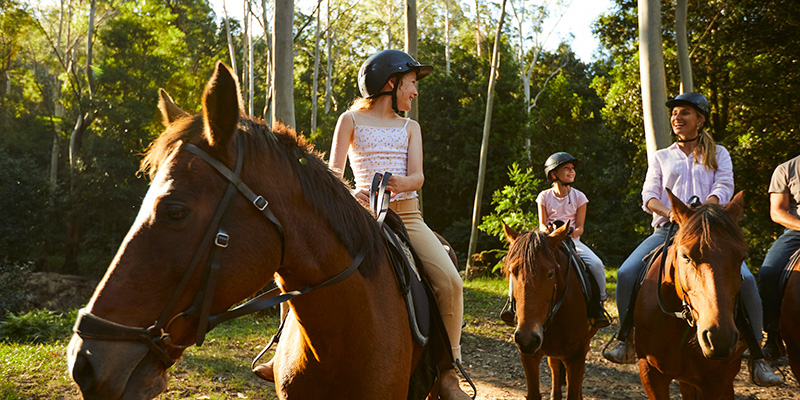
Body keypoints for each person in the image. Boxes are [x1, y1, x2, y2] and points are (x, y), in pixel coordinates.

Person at [601, 92, 783, 387]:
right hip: (669, 229)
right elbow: (649, 195)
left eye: (684, 113)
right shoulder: (661, 156)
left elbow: (725, 186)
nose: (676, 118)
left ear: (699, 119)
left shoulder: (719, 153)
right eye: (674, 114)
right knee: (626, 272)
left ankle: (758, 356)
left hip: (709, 230)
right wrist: (671, 212)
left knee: (747, 281)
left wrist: (706, 208)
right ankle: (626, 338)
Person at [327, 49, 471, 400]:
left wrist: (402, 184)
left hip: (406, 217)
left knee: (451, 282)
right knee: (307, 257)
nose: (415, 92)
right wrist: (351, 195)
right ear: (390, 84)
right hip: (359, 217)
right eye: (410, 84)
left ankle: (449, 372)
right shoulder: (349, 120)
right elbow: (333, 173)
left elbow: (418, 176)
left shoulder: (411, 127)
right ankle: (283, 347)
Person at [499, 153, 610, 328]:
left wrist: (570, 231)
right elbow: (542, 223)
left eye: (572, 168)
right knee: (520, 266)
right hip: (547, 242)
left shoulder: (580, 197)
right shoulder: (543, 196)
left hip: (572, 241)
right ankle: (511, 305)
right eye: (567, 168)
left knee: (596, 264)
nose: (571, 171)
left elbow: (581, 227)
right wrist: (549, 232)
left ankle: (598, 306)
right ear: (553, 174)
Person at [758, 154, 800, 360]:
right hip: (797, 232)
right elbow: (777, 212)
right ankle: (773, 337)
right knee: (769, 273)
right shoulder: (786, 169)